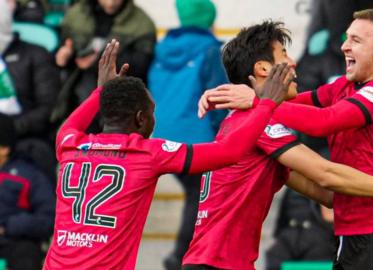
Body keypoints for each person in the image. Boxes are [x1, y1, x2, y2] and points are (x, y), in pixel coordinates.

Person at [186, 20, 373, 270]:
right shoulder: (259, 123)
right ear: (264, 68)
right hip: (217, 263)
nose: (293, 62)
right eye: (284, 55)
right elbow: (326, 174)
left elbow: (330, 194)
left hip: (216, 261)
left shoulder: (244, 124)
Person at [43, 39, 292, 270]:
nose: (154, 121)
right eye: (152, 113)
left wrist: (101, 92)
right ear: (141, 118)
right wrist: (267, 103)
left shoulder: (69, 144)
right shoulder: (148, 153)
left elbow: (70, 125)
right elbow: (231, 152)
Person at [147, 1, 228, 268]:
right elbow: (218, 96)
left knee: (197, 194)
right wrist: (223, 135)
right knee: (201, 196)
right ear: (208, 19)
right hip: (197, 139)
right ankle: (183, 257)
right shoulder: (211, 50)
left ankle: (186, 255)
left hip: (160, 135)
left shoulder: (162, 49)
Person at [52, 0, 156, 133]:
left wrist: (99, 62)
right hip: (74, 93)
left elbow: (141, 65)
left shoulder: (142, 24)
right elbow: (63, 46)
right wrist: (64, 55)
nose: (111, 3)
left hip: (120, 100)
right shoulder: (75, 15)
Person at [1, 0, 60, 180]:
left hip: (26, 138)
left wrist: (7, 131)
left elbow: (49, 109)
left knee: (37, 153)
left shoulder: (36, 55)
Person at [0, 113, 55, 270]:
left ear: (4, 148)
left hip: (14, 243)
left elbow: (48, 218)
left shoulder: (30, 175)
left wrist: (7, 226)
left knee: (26, 253)